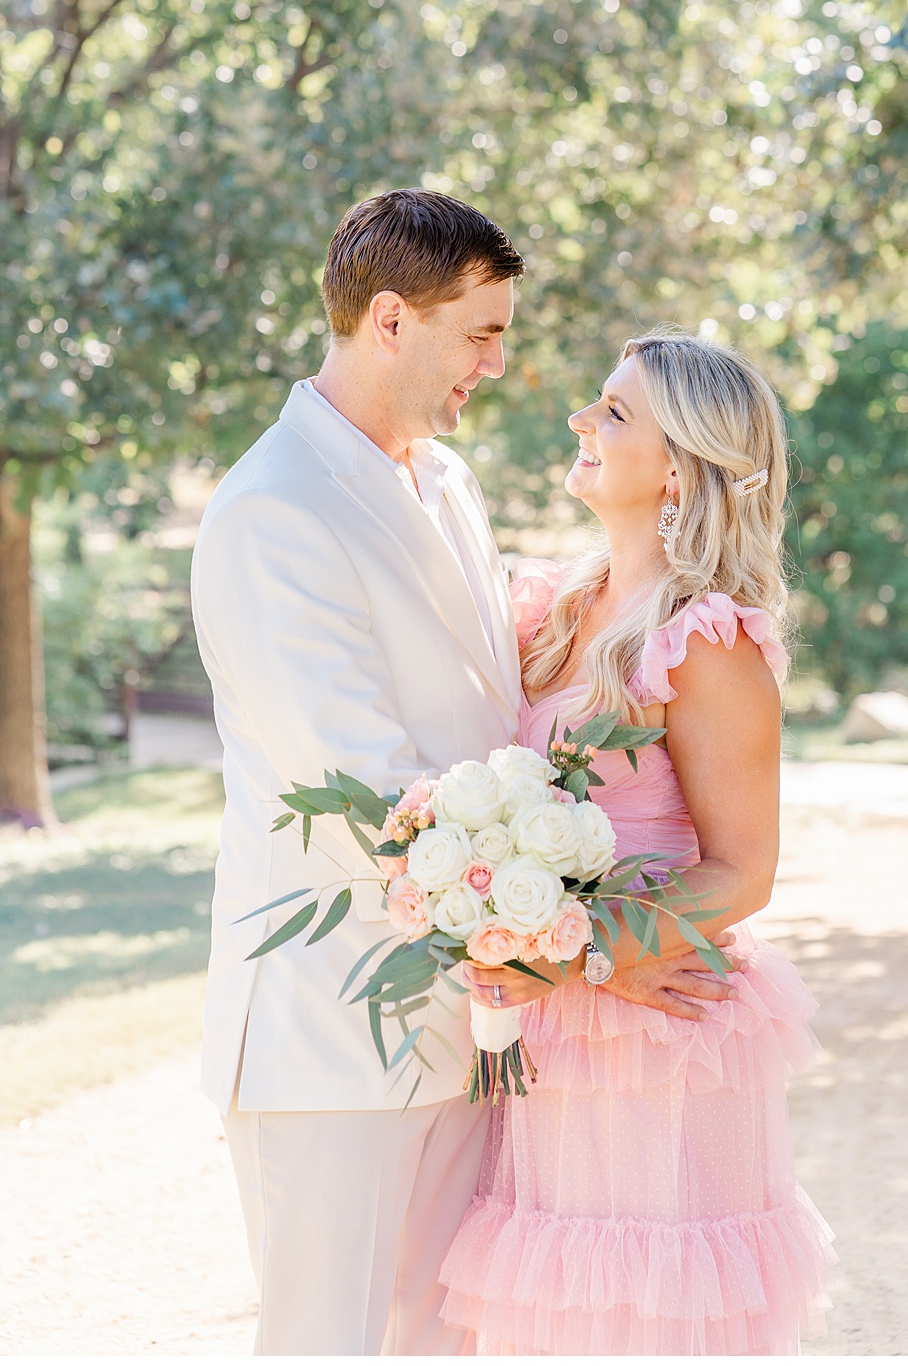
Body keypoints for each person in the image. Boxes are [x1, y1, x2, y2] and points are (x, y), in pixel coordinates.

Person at [439, 331, 837, 1355]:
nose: (581, 417)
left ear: (677, 467)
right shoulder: (555, 608)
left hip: (660, 1033)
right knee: (562, 1317)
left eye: (613, 411)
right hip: (557, 1030)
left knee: (653, 1319)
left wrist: (577, 952)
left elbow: (743, 867)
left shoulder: (706, 639)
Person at [191, 189, 529, 1355]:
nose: (495, 363)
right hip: (330, 1021)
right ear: (391, 320)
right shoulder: (270, 509)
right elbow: (360, 784)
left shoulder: (448, 481)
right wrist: (523, 922)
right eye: (481, 332)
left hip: (464, 1019)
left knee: (447, 1339)